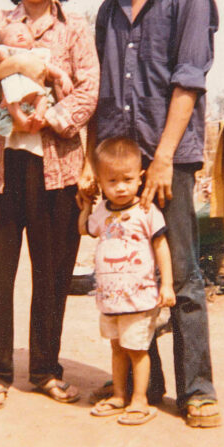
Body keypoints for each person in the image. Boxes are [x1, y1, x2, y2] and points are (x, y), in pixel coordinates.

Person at [78, 0, 221, 427]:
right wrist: (94, 163)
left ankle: (197, 391)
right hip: (117, 161)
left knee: (179, 274)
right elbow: (100, 91)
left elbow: (188, 84)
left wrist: (161, 161)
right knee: (130, 271)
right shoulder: (110, 8)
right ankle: (145, 381)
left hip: (168, 161)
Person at [0, 0, 99, 409]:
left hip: (57, 169)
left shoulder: (74, 25)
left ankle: (45, 370)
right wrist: (12, 66)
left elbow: (88, 88)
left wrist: (50, 118)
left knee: (54, 273)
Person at [79, 137, 175, 426]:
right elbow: (86, 229)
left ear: (140, 177)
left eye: (127, 179)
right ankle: (119, 395)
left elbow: (161, 248)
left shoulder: (146, 211)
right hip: (110, 300)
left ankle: (140, 400)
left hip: (139, 297)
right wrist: (85, 206)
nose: (120, 187)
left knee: (137, 350)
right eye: (112, 181)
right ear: (100, 182)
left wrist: (167, 284)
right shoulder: (102, 213)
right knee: (117, 349)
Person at [0, 21, 74, 136]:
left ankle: (38, 116)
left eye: (23, 32)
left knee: (42, 99)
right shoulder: (10, 54)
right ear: (4, 44)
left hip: (35, 92)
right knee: (11, 100)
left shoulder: (36, 54)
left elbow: (48, 67)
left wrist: (63, 76)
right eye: (12, 35)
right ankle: (22, 120)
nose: (19, 35)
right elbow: (0, 56)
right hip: (14, 93)